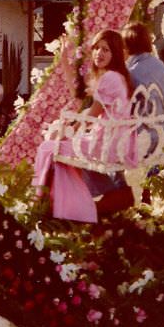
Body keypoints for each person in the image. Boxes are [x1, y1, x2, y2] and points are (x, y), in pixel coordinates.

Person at [33, 30, 137, 223]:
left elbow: (91, 116)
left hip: (106, 144)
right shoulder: (115, 76)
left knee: (49, 147)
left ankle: (51, 204)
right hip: (111, 141)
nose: (99, 53)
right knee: (56, 145)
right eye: (96, 48)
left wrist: (65, 130)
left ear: (115, 52)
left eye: (105, 49)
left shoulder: (110, 78)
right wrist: (64, 60)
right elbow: (79, 93)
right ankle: (60, 203)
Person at [122, 22, 164, 156]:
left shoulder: (131, 72)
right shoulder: (160, 65)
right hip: (161, 134)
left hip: (140, 138)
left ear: (127, 46)